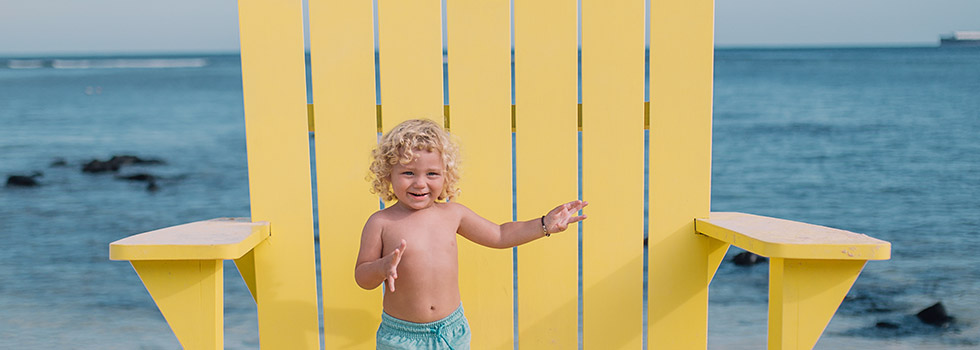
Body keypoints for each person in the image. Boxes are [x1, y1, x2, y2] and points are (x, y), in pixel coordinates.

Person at [355, 118, 587, 349]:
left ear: (446, 175)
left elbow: (500, 234)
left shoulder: (453, 214)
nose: (420, 183)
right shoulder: (381, 222)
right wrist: (382, 267)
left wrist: (544, 224)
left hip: (451, 331)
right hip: (401, 337)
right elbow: (362, 277)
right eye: (408, 173)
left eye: (432, 174)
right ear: (388, 175)